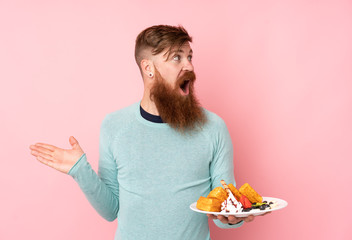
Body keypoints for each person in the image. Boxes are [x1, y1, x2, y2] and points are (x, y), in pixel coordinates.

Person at [30, 25, 262, 240]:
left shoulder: (214, 128)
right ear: (148, 68)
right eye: (176, 58)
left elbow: (224, 208)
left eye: (189, 57)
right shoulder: (114, 126)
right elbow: (111, 210)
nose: (189, 66)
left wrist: (232, 218)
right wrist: (79, 170)